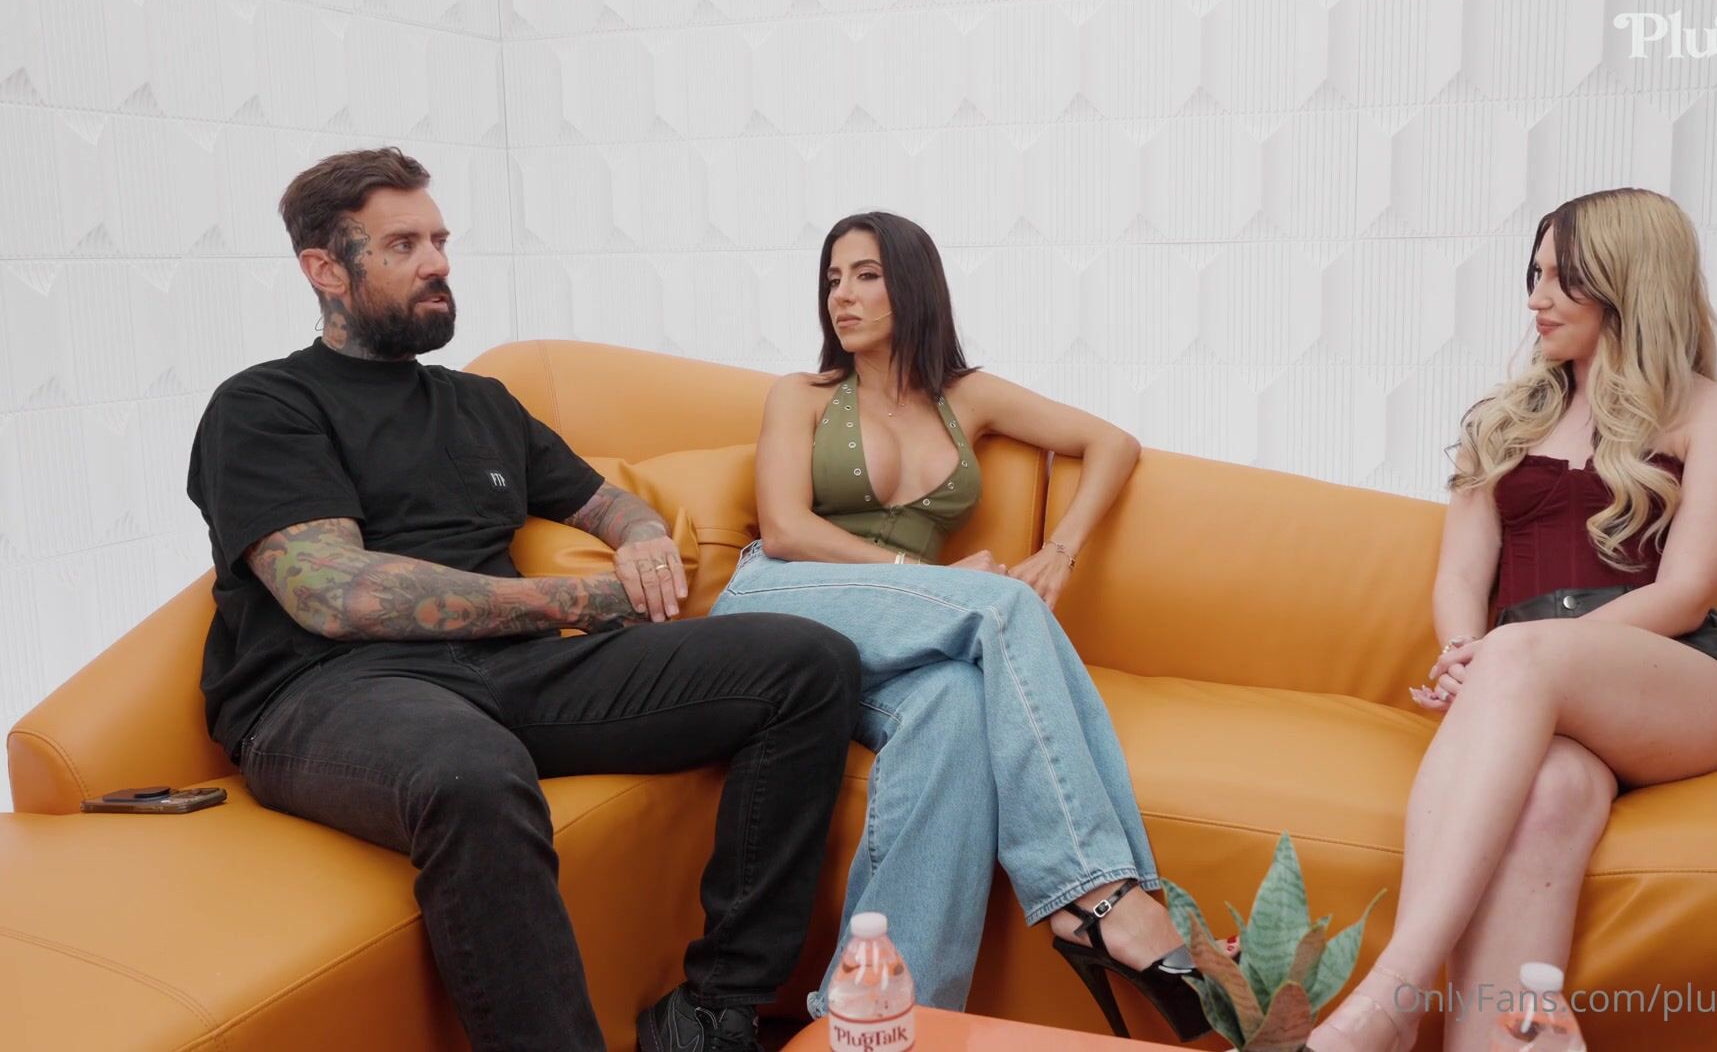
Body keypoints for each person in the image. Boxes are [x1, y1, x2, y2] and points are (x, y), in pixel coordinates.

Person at [186, 147, 860, 1052]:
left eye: (440, 240)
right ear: (325, 270)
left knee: (807, 663)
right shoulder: (266, 405)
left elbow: (602, 501)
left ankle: (714, 1012)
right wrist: (574, 601)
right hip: (332, 692)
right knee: (471, 772)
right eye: (403, 245)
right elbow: (334, 594)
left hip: (515, 673)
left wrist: (642, 535)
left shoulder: (481, 404)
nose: (438, 263)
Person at [707, 211, 1208, 1041]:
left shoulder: (964, 399)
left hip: (885, 644)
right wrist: (934, 579)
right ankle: (1104, 898)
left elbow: (1111, 442)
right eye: (833, 279)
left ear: (912, 284)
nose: (842, 295)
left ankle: (880, 1017)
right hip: (782, 603)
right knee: (999, 605)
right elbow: (788, 529)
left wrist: (1060, 552)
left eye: (866, 275)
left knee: (954, 709)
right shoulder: (803, 395)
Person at [1305, 188, 1717, 1052]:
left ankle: (1393, 998)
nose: (1536, 300)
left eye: (1561, 279)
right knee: (1550, 798)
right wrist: (1464, 651)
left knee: (1521, 655)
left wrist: (1516, 658)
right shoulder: (1502, 420)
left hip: (1676, 676)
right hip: (1530, 688)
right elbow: (1461, 574)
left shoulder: (1716, 413)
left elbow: (1686, 591)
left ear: (1627, 284)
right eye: (1535, 275)